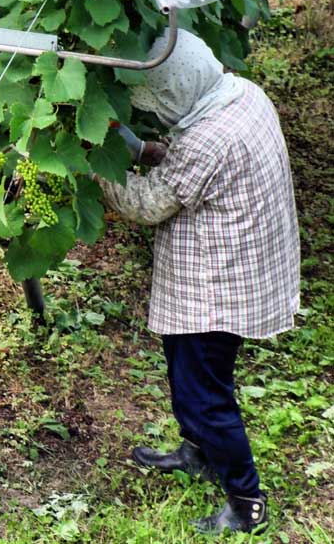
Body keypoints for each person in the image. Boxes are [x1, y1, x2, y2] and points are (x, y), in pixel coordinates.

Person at [98, 29, 300, 534]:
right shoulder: (240, 95)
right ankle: (198, 453)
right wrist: (143, 149)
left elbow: (146, 204)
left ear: (173, 89)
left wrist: (95, 165)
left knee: (203, 393)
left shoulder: (210, 138)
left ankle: (246, 499)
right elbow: (190, 162)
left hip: (216, 287)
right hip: (240, 263)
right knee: (190, 371)